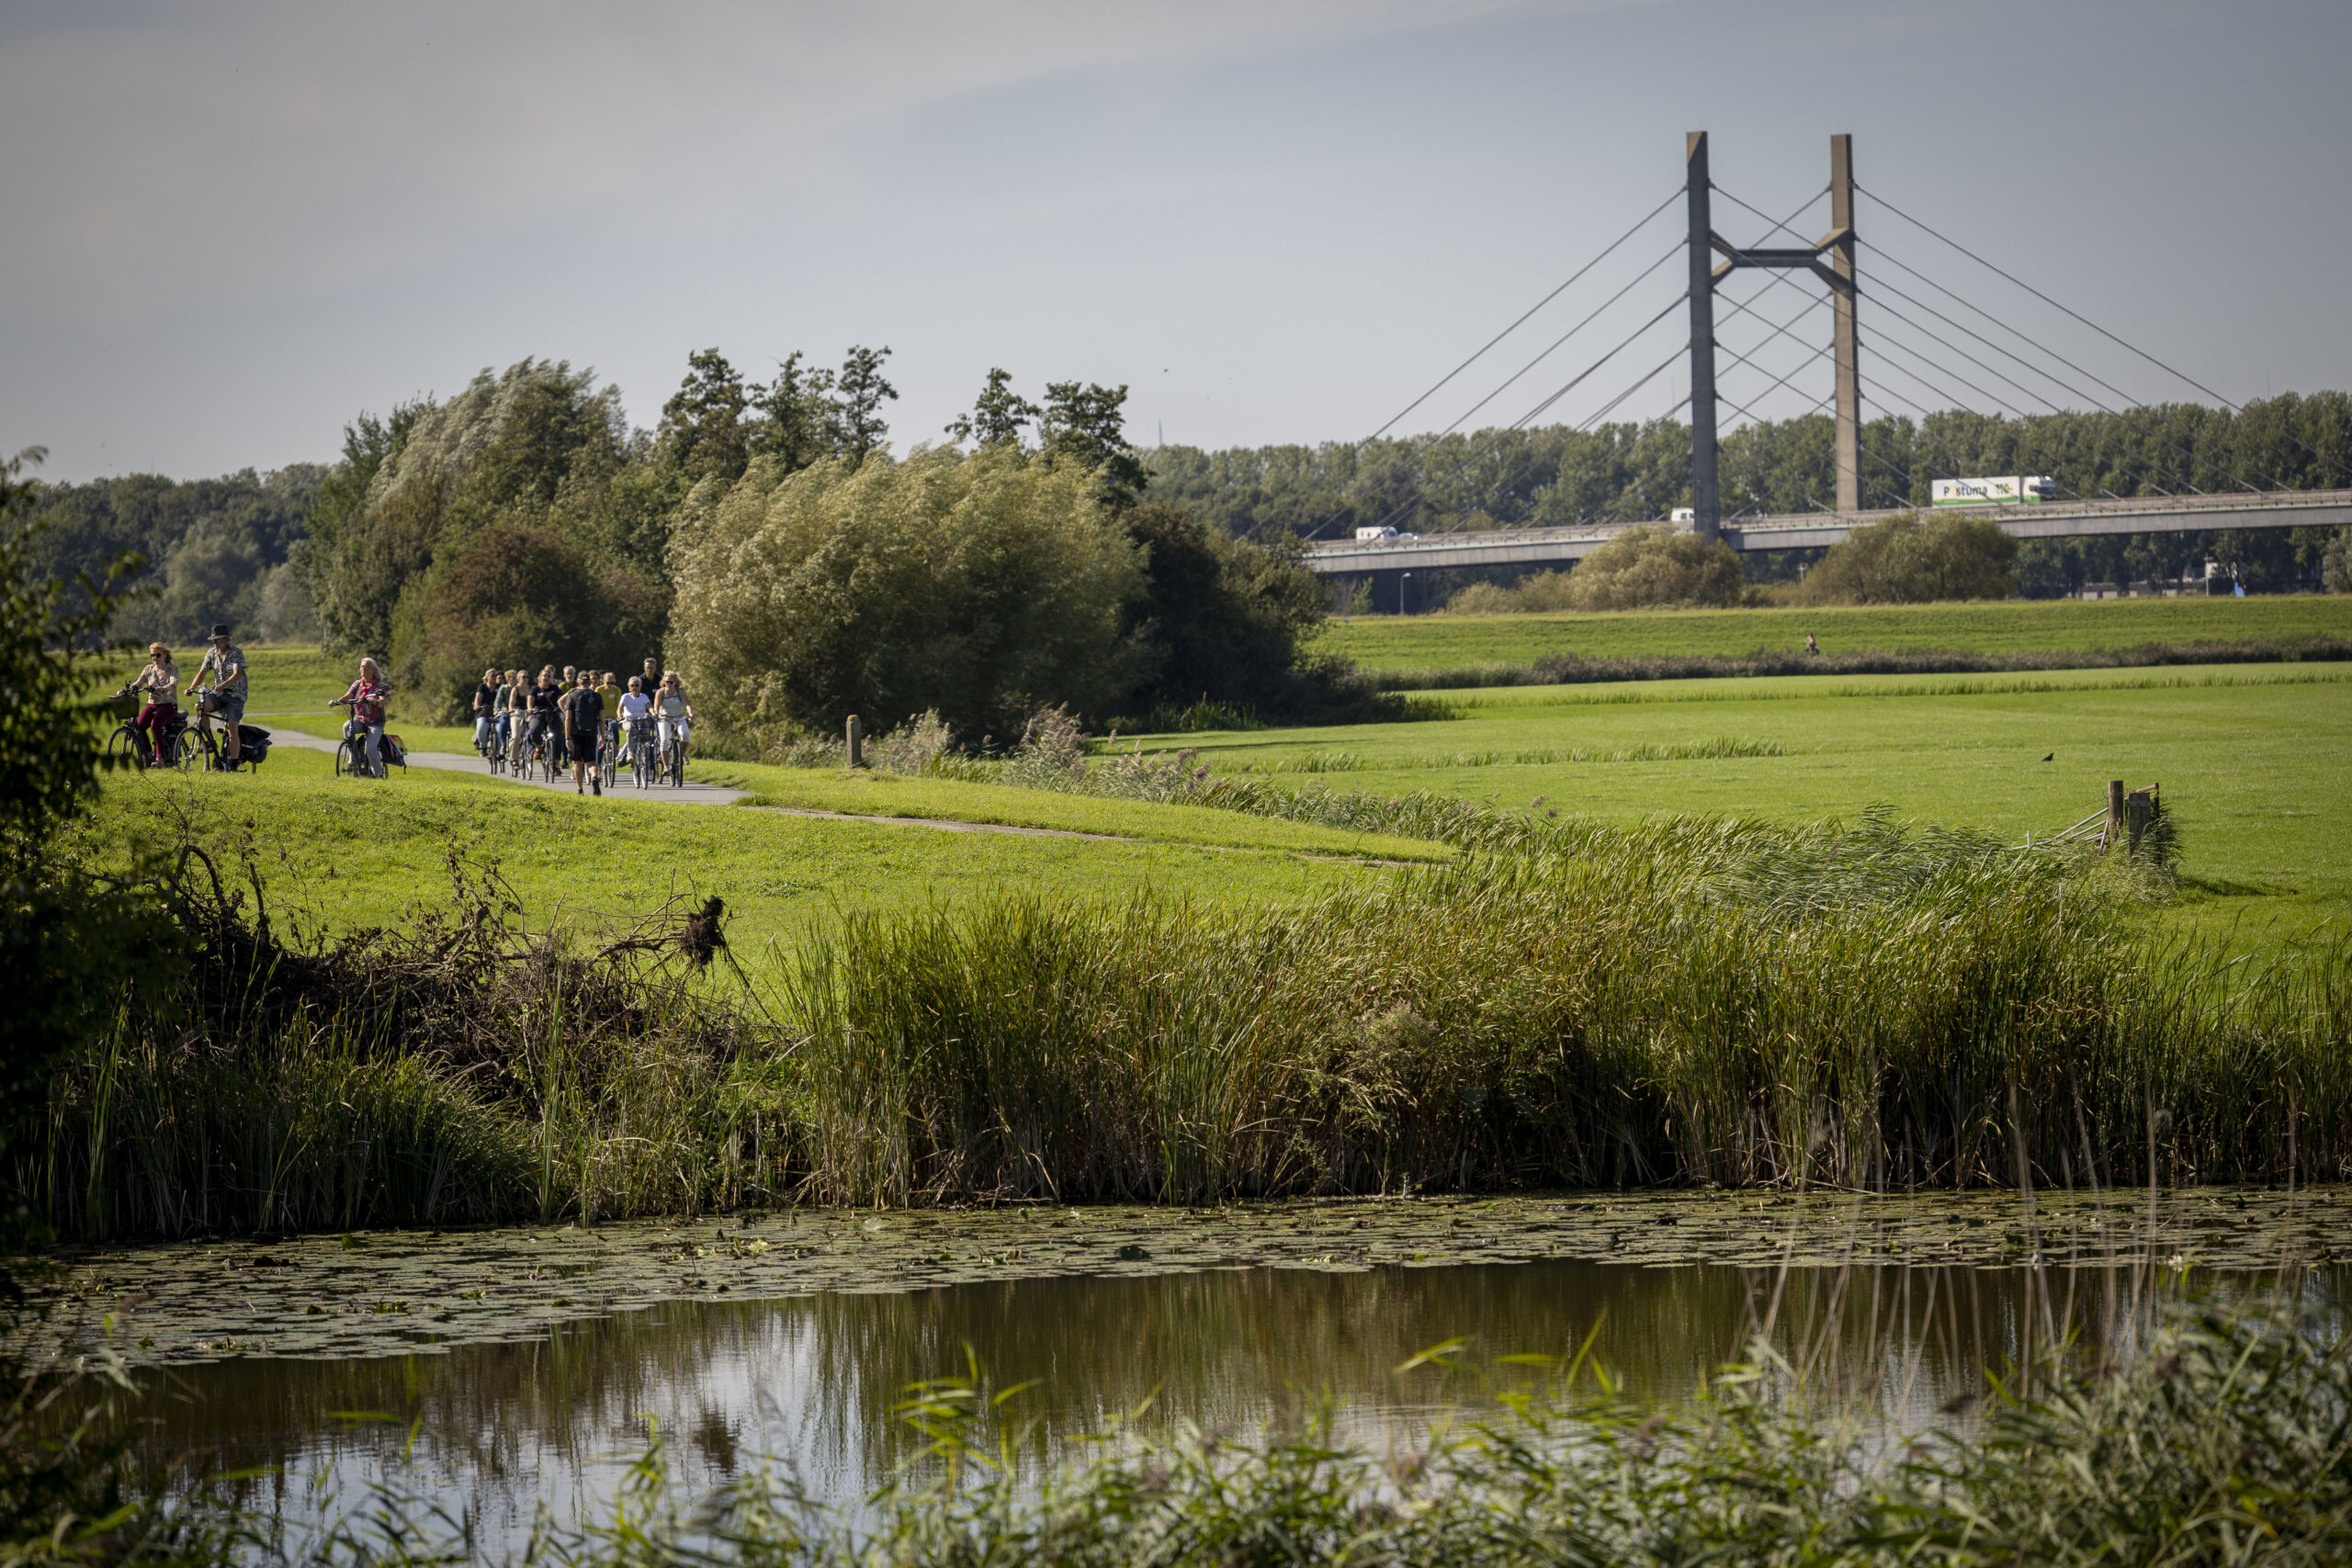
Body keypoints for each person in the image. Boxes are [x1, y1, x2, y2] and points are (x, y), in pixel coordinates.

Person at [191, 624, 249, 769]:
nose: (215, 642)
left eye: (217, 639)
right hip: (219, 693)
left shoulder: (236, 652)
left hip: (236, 695)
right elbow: (202, 672)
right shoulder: (211, 653)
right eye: (213, 640)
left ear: (226, 639)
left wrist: (223, 685)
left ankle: (234, 765)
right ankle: (210, 741)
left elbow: (237, 674)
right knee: (200, 706)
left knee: (232, 728)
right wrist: (192, 687)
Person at [333, 657, 391, 778]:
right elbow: (348, 696)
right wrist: (336, 702)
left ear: (373, 670)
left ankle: (378, 774)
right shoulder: (357, 684)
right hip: (360, 719)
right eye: (362, 666)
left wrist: (377, 702)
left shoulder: (381, 684)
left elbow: (383, 700)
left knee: (370, 747)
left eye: (366, 666)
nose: (363, 668)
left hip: (376, 722)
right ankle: (353, 759)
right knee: (347, 726)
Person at [129, 642, 179, 764]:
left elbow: (174, 682)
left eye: (158, 655)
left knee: (155, 725)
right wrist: (133, 687)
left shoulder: (172, 668)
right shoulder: (148, 669)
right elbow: (139, 681)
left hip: (168, 704)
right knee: (139, 726)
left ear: (165, 655)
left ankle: (160, 758)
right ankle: (148, 753)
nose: (154, 658)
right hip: (152, 703)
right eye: (152, 655)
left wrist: (165, 688)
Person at [560, 671, 605, 795]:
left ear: (578, 682)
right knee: (591, 762)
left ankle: (580, 790)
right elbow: (601, 719)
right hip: (591, 732)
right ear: (590, 682)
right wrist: (602, 735)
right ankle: (594, 777)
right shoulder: (597, 696)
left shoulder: (572, 695)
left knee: (577, 763)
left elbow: (568, 718)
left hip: (576, 733)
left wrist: (567, 738)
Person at [654, 671, 693, 773]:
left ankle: (682, 754)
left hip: (678, 718)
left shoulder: (680, 691)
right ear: (664, 682)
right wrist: (656, 714)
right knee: (664, 741)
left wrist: (690, 713)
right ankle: (666, 767)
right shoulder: (660, 692)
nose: (669, 684)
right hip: (664, 719)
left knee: (685, 735)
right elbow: (656, 706)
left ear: (675, 682)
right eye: (667, 682)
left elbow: (687, 704)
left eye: (671, 682)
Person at [616, 675, 654, 773]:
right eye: (632, 685)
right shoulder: (626, 697)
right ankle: (630, 753)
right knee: (630, 731)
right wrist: (620, 715)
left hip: (642, 720)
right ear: (629, 687)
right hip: (628, 720)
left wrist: (653, 713)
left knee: (646, 742)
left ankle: (647, 770)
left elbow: (649, 706)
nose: (635, 687)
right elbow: (620, 708)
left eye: (637, 685)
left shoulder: (644, 696)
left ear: (640, 687)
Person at [471, 668, 502, 754]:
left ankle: (499, 750)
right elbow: (478, 698)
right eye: (492, 675)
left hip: (497, 711)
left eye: (496, 675)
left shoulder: (500, 687)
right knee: (481, 727)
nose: (494, 677)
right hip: (484, 710)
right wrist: (477, 705)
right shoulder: (482, 687)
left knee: (500, 728)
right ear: (487, 677)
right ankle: (483, 746)